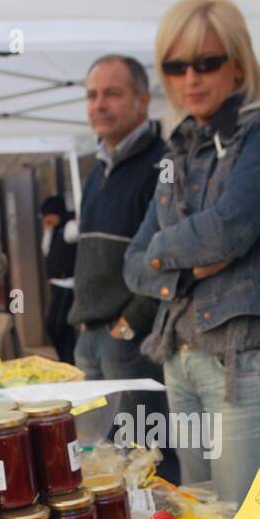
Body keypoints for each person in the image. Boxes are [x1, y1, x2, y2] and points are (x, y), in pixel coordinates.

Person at [124, 0, 260, 505]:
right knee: (198, 517)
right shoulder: (178, 147)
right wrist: (178, 263)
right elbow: (133, 263)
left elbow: (227, 231)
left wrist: (162, 251)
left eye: (207, 62)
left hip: (239, 356)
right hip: (179, 351)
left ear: (238, 64)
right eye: (176, 66)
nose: (191, 78)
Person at [71, 53, 178, 483]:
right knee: (102, 460)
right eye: (92, 95)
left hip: (130, 338)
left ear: (143, 101)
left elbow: (167, 256)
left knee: (147, 458)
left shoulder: (163, 163)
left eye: (112, 94)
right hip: (92, 336)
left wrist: (128, 323)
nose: (99, 104)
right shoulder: (98, 169)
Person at [40, 195, 77, 365]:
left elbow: (73, 236)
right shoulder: (52, 231)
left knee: (60, 324)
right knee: (53, 325)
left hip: (68, 283)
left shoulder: (69, 225)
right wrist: (47, 231)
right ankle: (65, 358)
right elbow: (46, 250)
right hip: (55, 283)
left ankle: (69, 359)